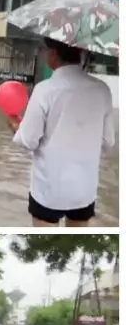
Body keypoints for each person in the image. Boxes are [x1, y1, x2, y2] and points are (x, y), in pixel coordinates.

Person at [8, 37, 116, 227]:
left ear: (54, 54)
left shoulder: (45, 90)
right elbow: (108, 143)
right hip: (84, 190)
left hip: (48, 189)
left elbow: (28, 141)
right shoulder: (102, 90)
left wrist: (17, 128)